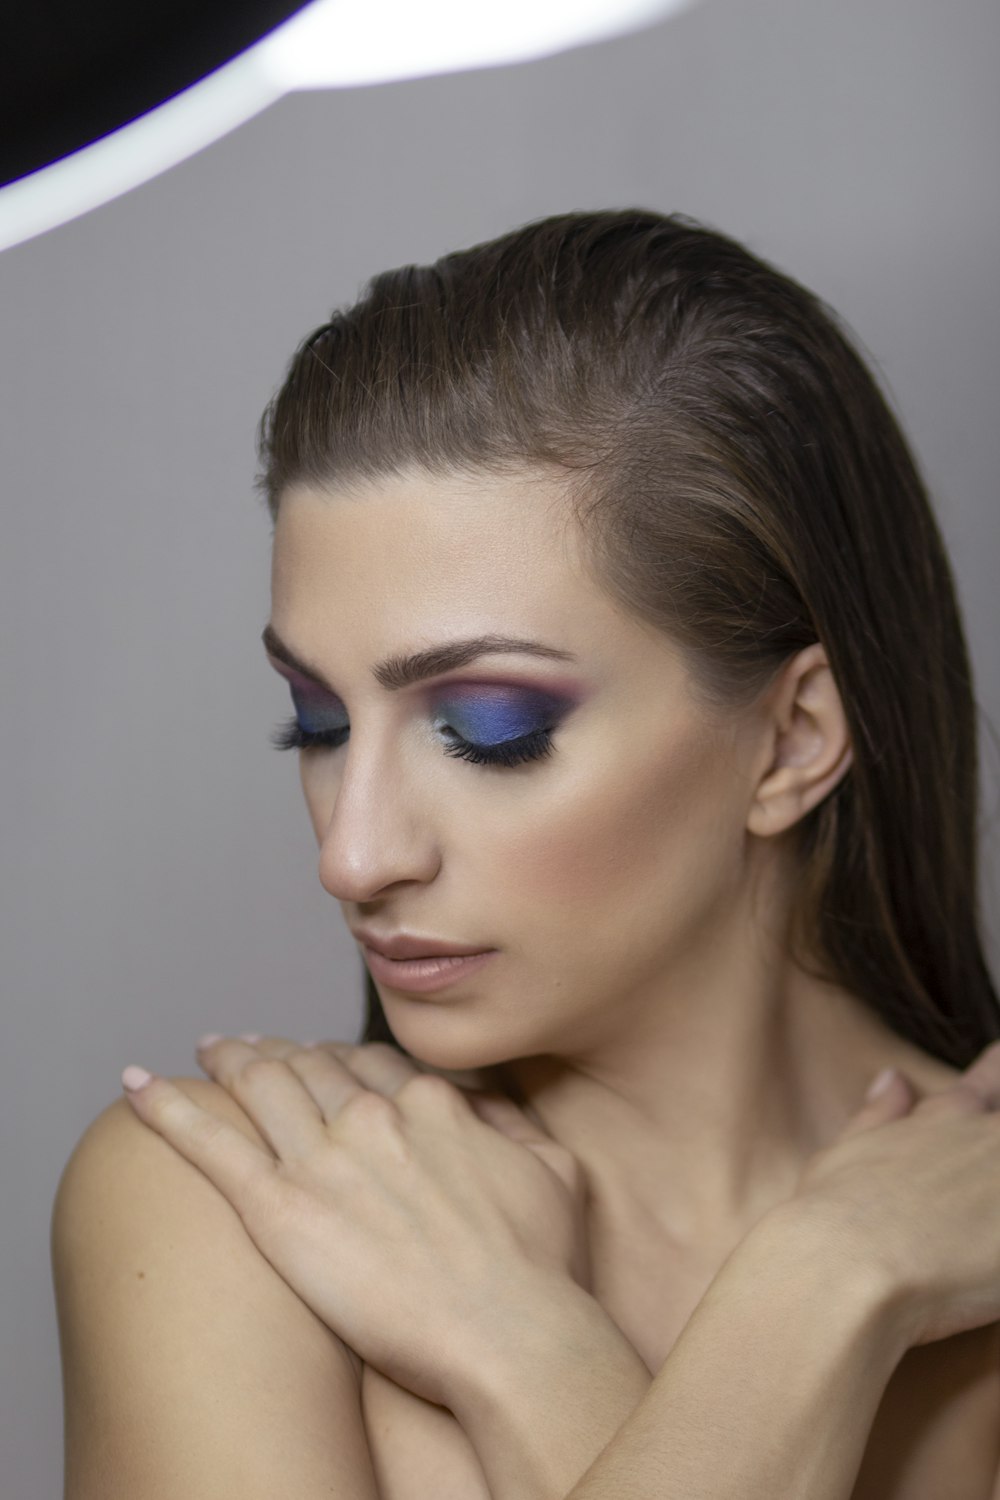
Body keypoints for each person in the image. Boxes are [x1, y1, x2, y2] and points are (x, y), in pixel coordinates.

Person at [51, 208, 1000, 1499]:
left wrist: (535, 1356)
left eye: (486, 730)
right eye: (318, 723)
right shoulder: (225, 1208)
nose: (354, 855)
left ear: (792, 740)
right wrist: (813, 1290)